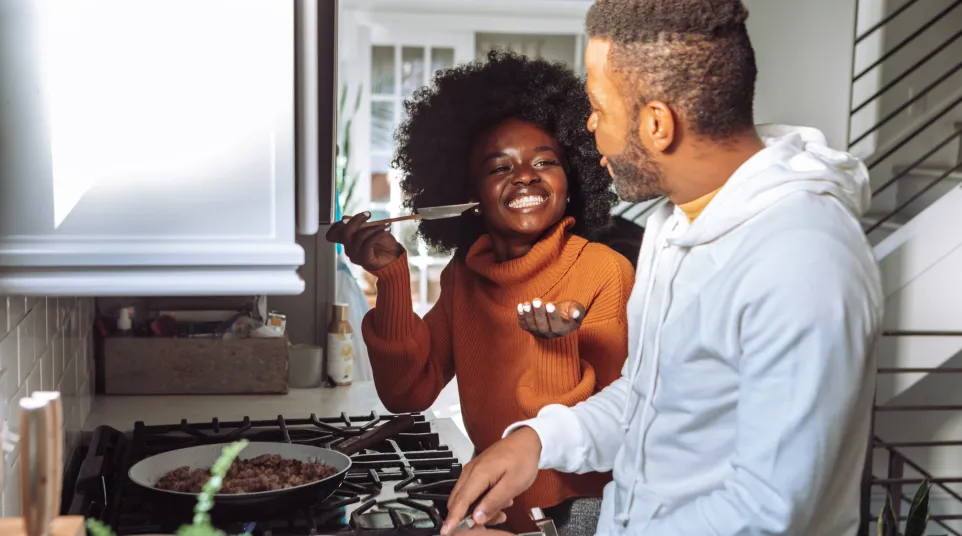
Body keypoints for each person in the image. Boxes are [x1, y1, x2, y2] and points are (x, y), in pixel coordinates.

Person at [441, 1, 884, 535]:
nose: (590, 126)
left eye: (600, 108)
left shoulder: (803, 259)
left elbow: (769, 514)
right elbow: (651, 399)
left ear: (656, 125)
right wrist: (537, 441)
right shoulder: (674, 226)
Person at [326, 51, 635, 534]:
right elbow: (407, 393)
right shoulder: (464, 278)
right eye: (499, 167)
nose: (525, 175)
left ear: (572, 180)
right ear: (467, 195)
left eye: (545, 161)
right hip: (490, 513)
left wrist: (554, 347)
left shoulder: (605, 272)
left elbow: (617, 429)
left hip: (578, 521)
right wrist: (391, 279)